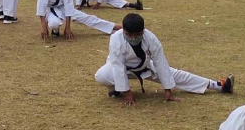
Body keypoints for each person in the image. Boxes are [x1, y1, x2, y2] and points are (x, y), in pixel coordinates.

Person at [95, 13, 234, 104]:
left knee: (177, 75)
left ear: (143, 31)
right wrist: (127, 93)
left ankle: (218, 85)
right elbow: (118, 67)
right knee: (101, 75)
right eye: (128, 34)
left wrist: (167, 90)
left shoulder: (150, 38)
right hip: (122, 68)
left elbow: (161, 64)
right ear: (123, 30)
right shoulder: (116, 39)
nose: (132, 38)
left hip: (145, 66)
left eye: (136, 35)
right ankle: (116, 89)